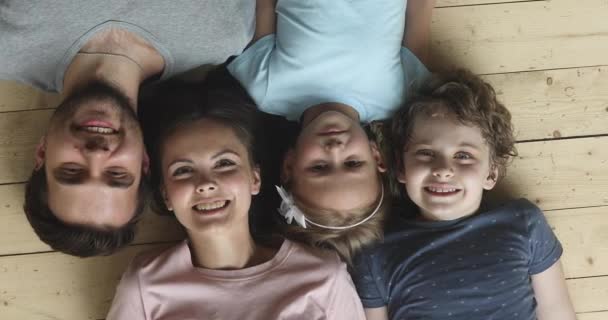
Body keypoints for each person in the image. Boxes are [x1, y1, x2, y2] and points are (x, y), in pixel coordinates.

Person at [0, 0, 255, 256]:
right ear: (144, 162)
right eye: (117, 174)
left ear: (43, 153)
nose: (97, 153)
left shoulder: (7, 46)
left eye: (72, 170)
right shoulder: (223, 35)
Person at [106, 83, 366, 320]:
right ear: (166, 194)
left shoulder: (324, 278)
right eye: (183, 170)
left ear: (255, 178)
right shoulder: (145, 283)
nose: (205, 183)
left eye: (224, 164)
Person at [352, 70, 576, 320]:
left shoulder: (523, 223)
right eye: (425, 153)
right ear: (401, 167)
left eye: (463, 156)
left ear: (491, 173)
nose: (443, 170)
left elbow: (558, 311)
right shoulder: (375, 252)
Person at [227, 0, 435, 261]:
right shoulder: (403, 96)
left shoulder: (265, 89)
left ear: (289, 165)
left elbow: (264, 6)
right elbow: (420, 10)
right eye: (353, 163)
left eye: (319, 167)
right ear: (377, 156)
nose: (335, 149)